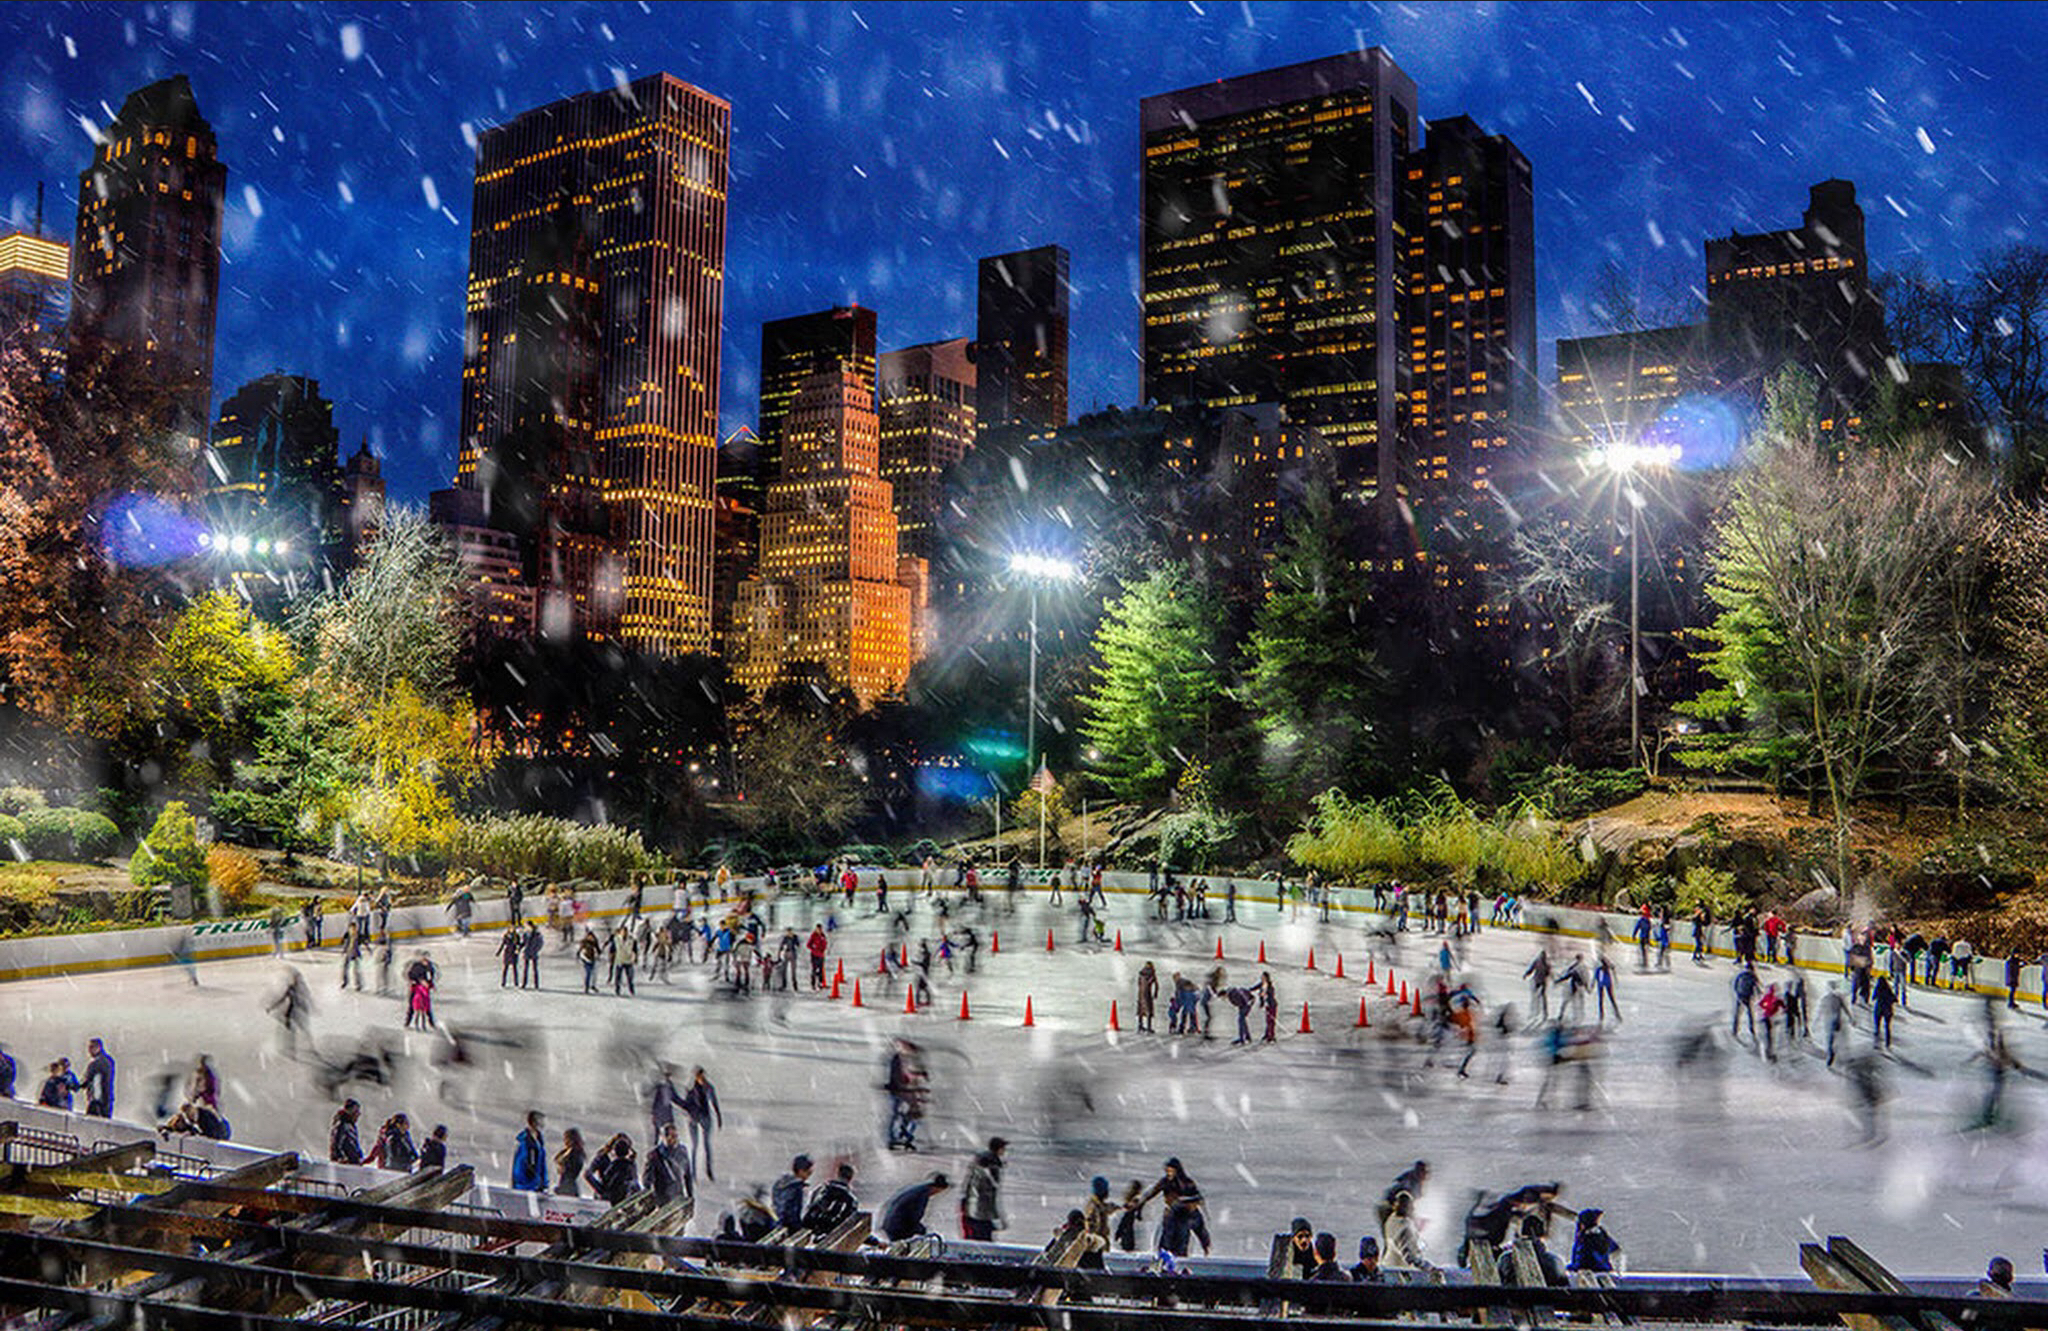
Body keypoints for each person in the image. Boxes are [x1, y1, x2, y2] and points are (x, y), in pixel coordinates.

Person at [1140, 1157, 1211, 1257]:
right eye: (1167, 1171)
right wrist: (1141, 1202)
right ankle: (1164, 1256)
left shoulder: (1187, 1183)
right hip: (1172, 1214)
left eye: (1171, 1171)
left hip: (1185, 1215)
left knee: (1182, 1238)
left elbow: (1197, 1198)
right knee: (1166, 1239)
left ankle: (1179, 1257)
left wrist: (1187, 1202)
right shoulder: (1165, 1182)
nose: (1169, 1173)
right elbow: (1152, 1192)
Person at [879, 1171, 951, 1242]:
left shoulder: (917, 1190)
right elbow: (915, 1217)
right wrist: (922, 1230)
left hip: (890, 1225)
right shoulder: (921, 1196)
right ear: (937, 1188)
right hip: (897, 1227)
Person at [960, 1136, 1007, 1241]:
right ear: (999, 1149)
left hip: (971, 1210)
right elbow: (990, 1195)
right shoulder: (992, 1168)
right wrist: (997, 1216)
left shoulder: (979, 1164)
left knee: (974, 1238)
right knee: (982, 1239)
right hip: (981, 1213)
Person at [682, 1066, 722, 1182]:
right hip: (694, 1118)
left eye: (702, 1075)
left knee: (706, 1145)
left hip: (705, 1116)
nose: (701, 1078)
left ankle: (709, 1171)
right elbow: (686, 1104)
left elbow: (714, 1102)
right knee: (694, 1146)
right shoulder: (690, 1088)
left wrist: (718, 1116)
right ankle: (693, 1173)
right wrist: (689, 1114)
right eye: (699, 1075)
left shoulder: (708, 1087)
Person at [802, 1162, 859, 1235]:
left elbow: (809, 1208)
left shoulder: (820, 1190)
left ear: (838, 1174)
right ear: (851, 1178)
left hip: (809, 1229)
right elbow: (849, 1223)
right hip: (832, 1235)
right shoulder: (851, 1199)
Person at [1382, 1190, 1433, 1272]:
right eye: (1410, 1206)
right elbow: (1408, 1254)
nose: (1413, 1209)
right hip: (1398, 1270)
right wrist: (1427, 1267)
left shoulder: (1391, 1220)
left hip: (1388, 1266)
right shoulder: (1403, 1227)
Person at [645, 1122, 692, 1205]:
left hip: (678, 1196)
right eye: (672, 1136)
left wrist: (690, 1196)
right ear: (664, 1137)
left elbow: (687, 1175)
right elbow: (647, 1181)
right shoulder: (654, 1155)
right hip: (662, 1199)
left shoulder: (682, 1151)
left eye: (676, 1136)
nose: (675, 1140)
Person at [585, 1133, 638, 1204]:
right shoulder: (603, 1158)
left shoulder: (629, 1163)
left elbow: (633, 1180)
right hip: (605, 1199)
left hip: (621, 1199)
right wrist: (600, 1191)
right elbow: (588, 1173)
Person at [1569, 1208, 1621, 1274]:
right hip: (1605, 1271)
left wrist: (1572, 1268)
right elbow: (1614, 1249)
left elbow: (1582, 1260)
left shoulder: (1587, 1239)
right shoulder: (1601, 1234)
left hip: (1591, 1274)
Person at [773, 1154, 813, 1231]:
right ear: (801, 1171)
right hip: (790, 1227)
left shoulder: (781, 1183)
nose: (809, 1176)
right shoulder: (796, 1188)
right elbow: (793, 1212)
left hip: (778, 1223)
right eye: (808, 1172)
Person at [512, 1111, 549, 1192]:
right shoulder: (524, 1141)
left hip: (537, 1185)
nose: (543, 1124)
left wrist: (544, 1182)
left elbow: (542, 1163)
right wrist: (521, 1183)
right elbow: (520, 1164)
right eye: (540, 1121)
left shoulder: (539, 1140)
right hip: (526, 1185)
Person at [82, 1038, 115, 1118]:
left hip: (97, 1101)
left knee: (91, 1122)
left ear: (98, 1048)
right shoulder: (109, 1060)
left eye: (91, 1047)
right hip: (107, 1100)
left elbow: (86, 1080)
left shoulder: (97, 1063)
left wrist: (72, 1085)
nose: (89, 1050)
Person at [554, 1128, 587, 1197]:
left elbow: (570, 1168)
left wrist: (563, 1165)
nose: (564, 1141)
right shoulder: (569, 1152)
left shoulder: (575, 1154)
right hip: (567, 1185)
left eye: (566, 1139)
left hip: (568, 1187)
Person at [329, 1099, 364, 1165]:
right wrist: (341, 1157)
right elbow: (336, 1143)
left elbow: (355, 1145)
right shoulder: (342, 1125)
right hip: (344, 1164)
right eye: (356, 1111)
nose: (358, 1114)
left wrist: (359, 1156)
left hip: (352, 1163)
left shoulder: (352, 1126)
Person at [1873, 973, 1898, 1049]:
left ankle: (1877, 1032)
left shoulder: (1878, 989)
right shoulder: (1889, 990)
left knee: (1877, 1022)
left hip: (1879, 1008)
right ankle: (1888, 1042)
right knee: (1887, 1026)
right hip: (1888, 1010)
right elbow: (1895, 999)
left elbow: (1873, 997)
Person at [1136, 962, 1159, 1034]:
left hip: (1140, 993)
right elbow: (1156, 985)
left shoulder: (1141, 973)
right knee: (1148, 1009)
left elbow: (1138, 983)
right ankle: (1149, 1027)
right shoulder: (1152, 973)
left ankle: (1140, 1025)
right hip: (1147, 994)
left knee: (1140, 1009)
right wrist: (1155, 993)